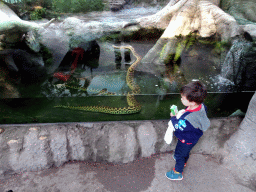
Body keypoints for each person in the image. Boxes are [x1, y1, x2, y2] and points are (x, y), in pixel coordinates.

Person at [165, 81, 210, 181]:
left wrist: (173, 117)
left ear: (193, 102)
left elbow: (177, 126)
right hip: (193, 137)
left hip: (186, 139)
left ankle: (177, 173)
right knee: (185, 151)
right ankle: (183, 160)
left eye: (183, 98)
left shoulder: (188, 119)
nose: (181, 99)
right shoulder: (201, 106)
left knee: (180, 154)